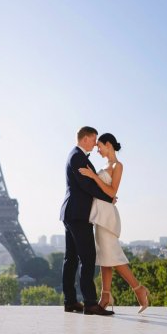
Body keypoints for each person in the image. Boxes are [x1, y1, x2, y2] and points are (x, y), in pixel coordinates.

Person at [79, 132, 150, 313]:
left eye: (99, 146)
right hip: (100, 214)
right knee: (105, 257)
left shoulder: (118, 165)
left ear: (108, 144)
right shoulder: (105, 165)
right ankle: (106, 295)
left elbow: (111, 192)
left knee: (113, 257)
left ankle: (139, 289)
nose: (97, 150)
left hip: (107, 216)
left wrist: (93, 176)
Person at [60, 126, 115, 316]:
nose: (95, 142)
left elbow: (88, 184)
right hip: (78, 215)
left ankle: (70, 301)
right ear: (85, 138)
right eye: (94, 139)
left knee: (71, 259)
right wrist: (109, 198)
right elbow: (87, 185)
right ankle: (90, 303)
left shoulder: (76, 156)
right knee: (87, 257)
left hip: (72, 213)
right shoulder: (77, 157)